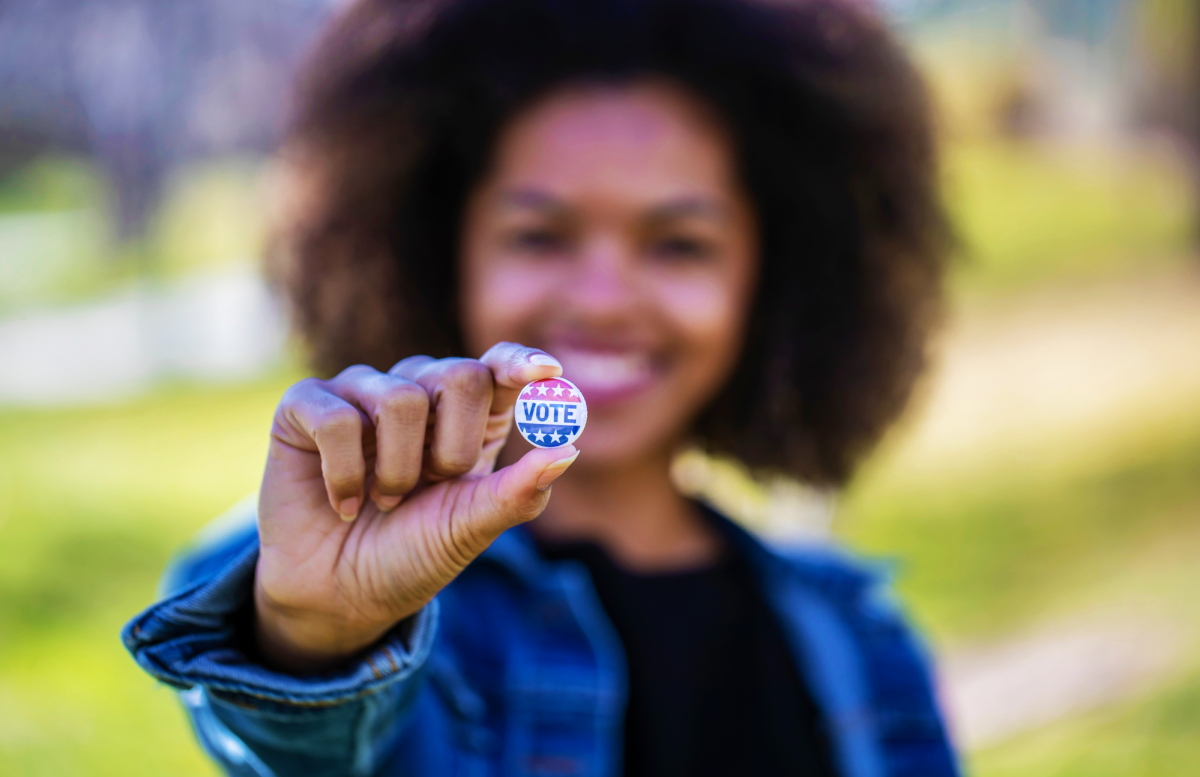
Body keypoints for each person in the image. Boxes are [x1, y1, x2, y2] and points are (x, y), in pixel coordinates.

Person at [123, 0, 957, 775]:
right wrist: (318, 635)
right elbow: (305, 743)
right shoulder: (356, 583)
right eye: (539, 235)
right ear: (438, 253)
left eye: (678, 245)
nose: (601, 299)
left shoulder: (863, 640)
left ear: (769, 278)